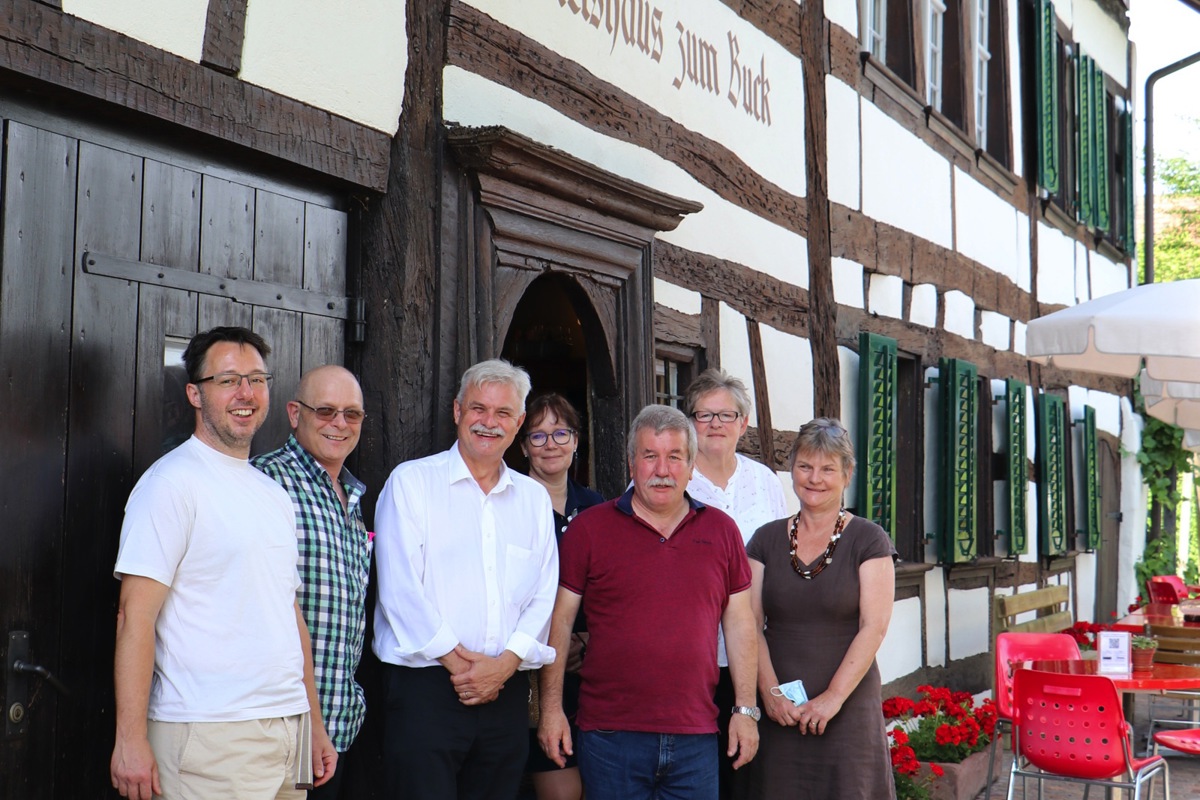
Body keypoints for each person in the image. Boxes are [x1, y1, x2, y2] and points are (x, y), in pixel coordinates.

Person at [111, 326, 336, 800]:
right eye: (228, 380)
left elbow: (287, 612)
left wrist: (312, 721)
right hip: (208, 735)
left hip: (287, 729)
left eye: (256, 379)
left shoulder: (273, 494)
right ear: (195, 393)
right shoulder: (171, 485)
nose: (246, 393)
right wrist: (129, 739)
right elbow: (135, 617)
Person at [538, 404, 760, 800]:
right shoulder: (590, 529)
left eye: (675, 457)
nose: (662, 470)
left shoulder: (722, 531)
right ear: (631, 464)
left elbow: (741, 623)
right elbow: (560, 621)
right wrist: (551, 710)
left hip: (696, 734)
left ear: (691, 466)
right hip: (610, 736)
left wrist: (745, 711)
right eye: (650, 456)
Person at [373, 358, 559, 800]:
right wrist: (465, 670)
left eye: (502, 414)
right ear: (458, 411)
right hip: (427, 693)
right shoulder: (412, 482)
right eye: (478, 409)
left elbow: (543, 593)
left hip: (506, 694)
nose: (488, 423)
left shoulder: (532, 499)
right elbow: (399, 592)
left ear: (517, 424)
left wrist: (504, 667)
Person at [745, 418, 896, 799]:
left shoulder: (869, 539)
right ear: (791, 468)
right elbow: (749, 622)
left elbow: (874, 626)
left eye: (828, 468)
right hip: (780, 711)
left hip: (847, 709)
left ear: (846, 474)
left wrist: (832, 698)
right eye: (805, 466)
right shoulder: (764, 539)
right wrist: (770, 692)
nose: (814, 478)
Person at [253, 365, 370, 800]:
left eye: (351, 414)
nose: (339, 423)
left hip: (338, 729)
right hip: (284, 725)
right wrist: (310, 725)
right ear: (294, 413)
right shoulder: (268, 481)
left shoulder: (352, 496)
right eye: (325, 410)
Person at [683, 369, 786, 800]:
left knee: (749, 771)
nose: (716, 425)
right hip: (692, 653)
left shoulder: (764, 480)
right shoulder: (670, 478)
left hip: (754, 653)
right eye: (704, 415)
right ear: (690, 422)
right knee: (699, 769)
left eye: (727, 415)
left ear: (743, 423)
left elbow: (782, 556)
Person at [517, 393, 604, 800]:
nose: (550, 444)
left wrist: (586, 642)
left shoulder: (598, 509)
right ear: (522, 446)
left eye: (560, 433)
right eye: (538, 436)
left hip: (589, 672)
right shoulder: (508, 505)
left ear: (575, 441)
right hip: (529, 673)